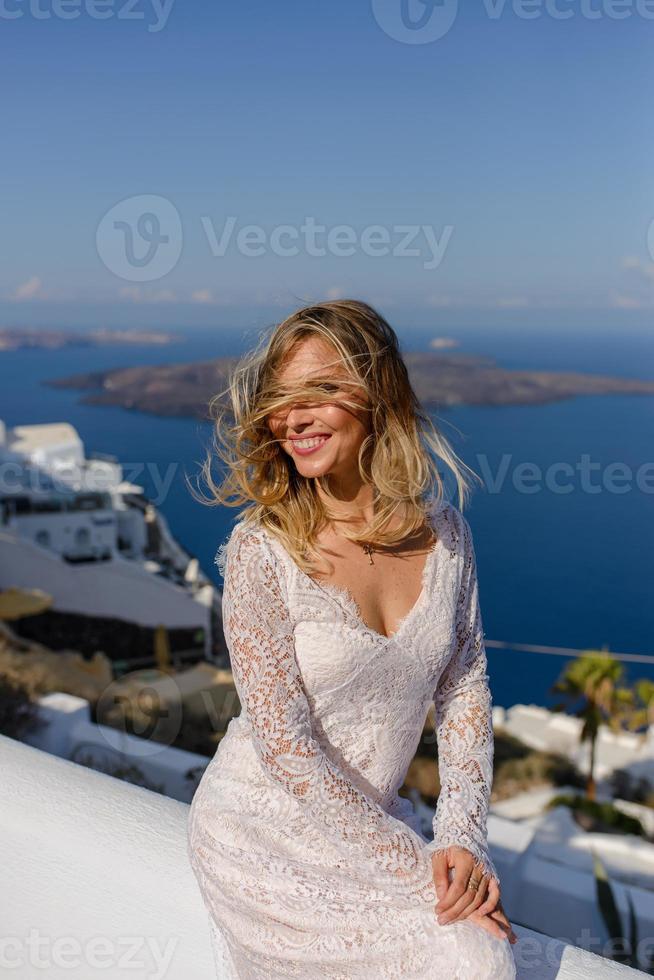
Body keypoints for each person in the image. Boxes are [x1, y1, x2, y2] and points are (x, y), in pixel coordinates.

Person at [187, 299, 518, 978]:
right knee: (473, 961)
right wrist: (418, 863)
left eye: (322, 392)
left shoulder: (448, 537)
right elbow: (284, 745)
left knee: (480, 958)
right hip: (261, 833)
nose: (293, 418)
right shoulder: (262, 551)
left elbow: (465, 689)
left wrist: (462, 839)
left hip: (373, 826)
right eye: (280, 399)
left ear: (379, 394)